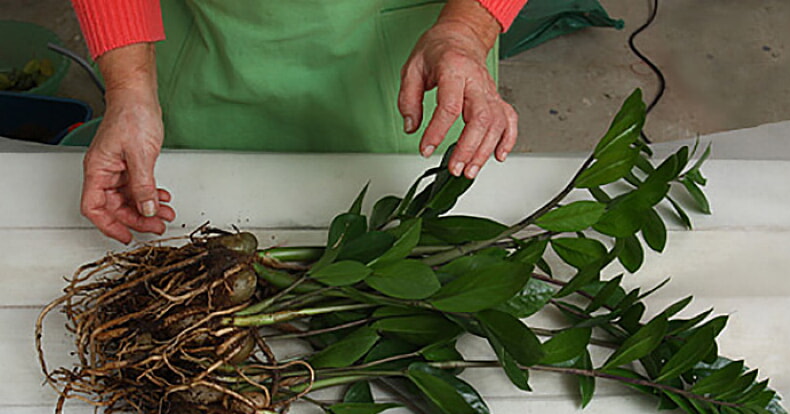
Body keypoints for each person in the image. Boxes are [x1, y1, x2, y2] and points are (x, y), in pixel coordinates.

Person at [70, 0, 527, 243]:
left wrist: (467, 30)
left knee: (400, 239)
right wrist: (129, 88)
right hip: (208, 55)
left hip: (405, 66)